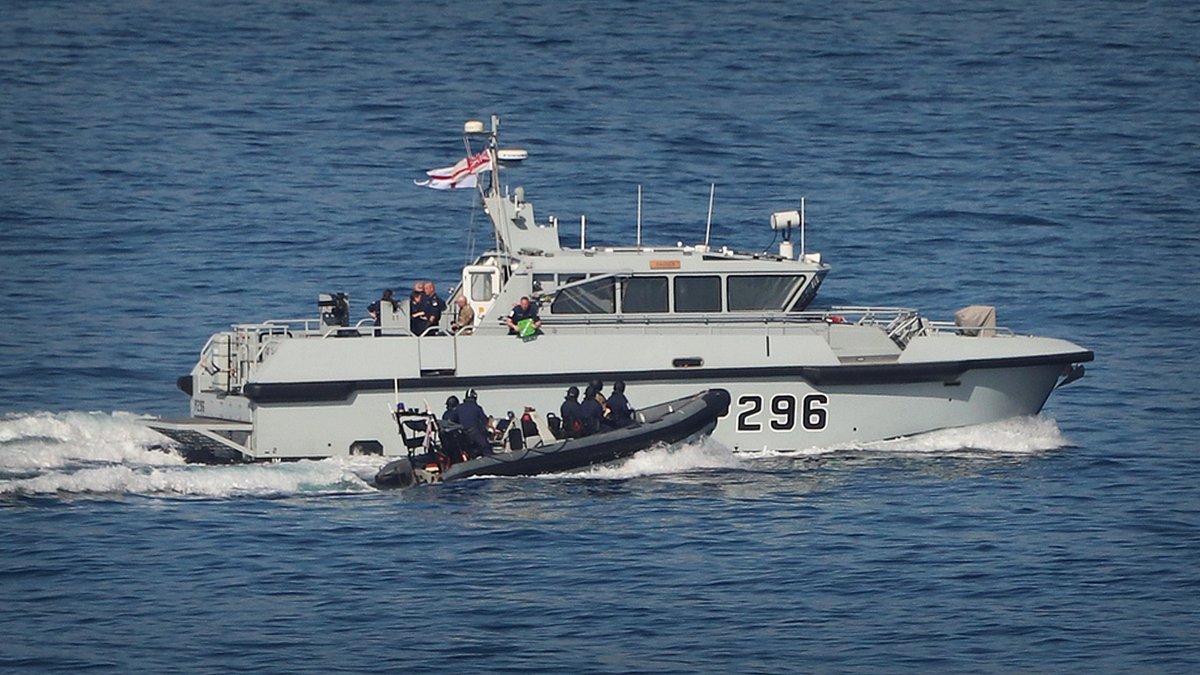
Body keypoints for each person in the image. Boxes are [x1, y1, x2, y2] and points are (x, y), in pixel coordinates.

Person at [453, 389, 492, 457]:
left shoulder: (458, 408)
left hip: (463, 436)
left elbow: (452, 421)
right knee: (486, 448)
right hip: (475, 434)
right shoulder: (477, 408)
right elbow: (485, 421)